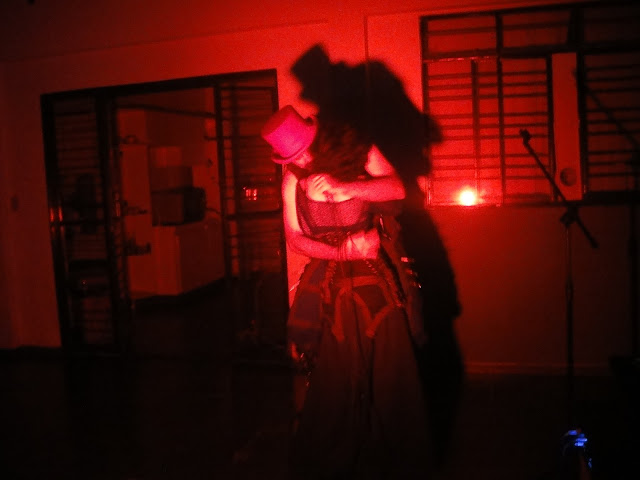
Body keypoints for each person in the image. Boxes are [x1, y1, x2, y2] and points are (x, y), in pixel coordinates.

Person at [261, 105, 431, 479]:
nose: (301, 160)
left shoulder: (359, 149)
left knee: (389, 365)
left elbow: (397, 187)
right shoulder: (292, 180)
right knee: (332, 370)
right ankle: (333, 457)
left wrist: (346, 187)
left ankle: (395, 456)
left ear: (316, 135)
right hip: (330, 273)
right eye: (292, 157)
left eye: (303, 150)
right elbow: (294, 239)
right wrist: (342, 252)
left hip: (374, 272)